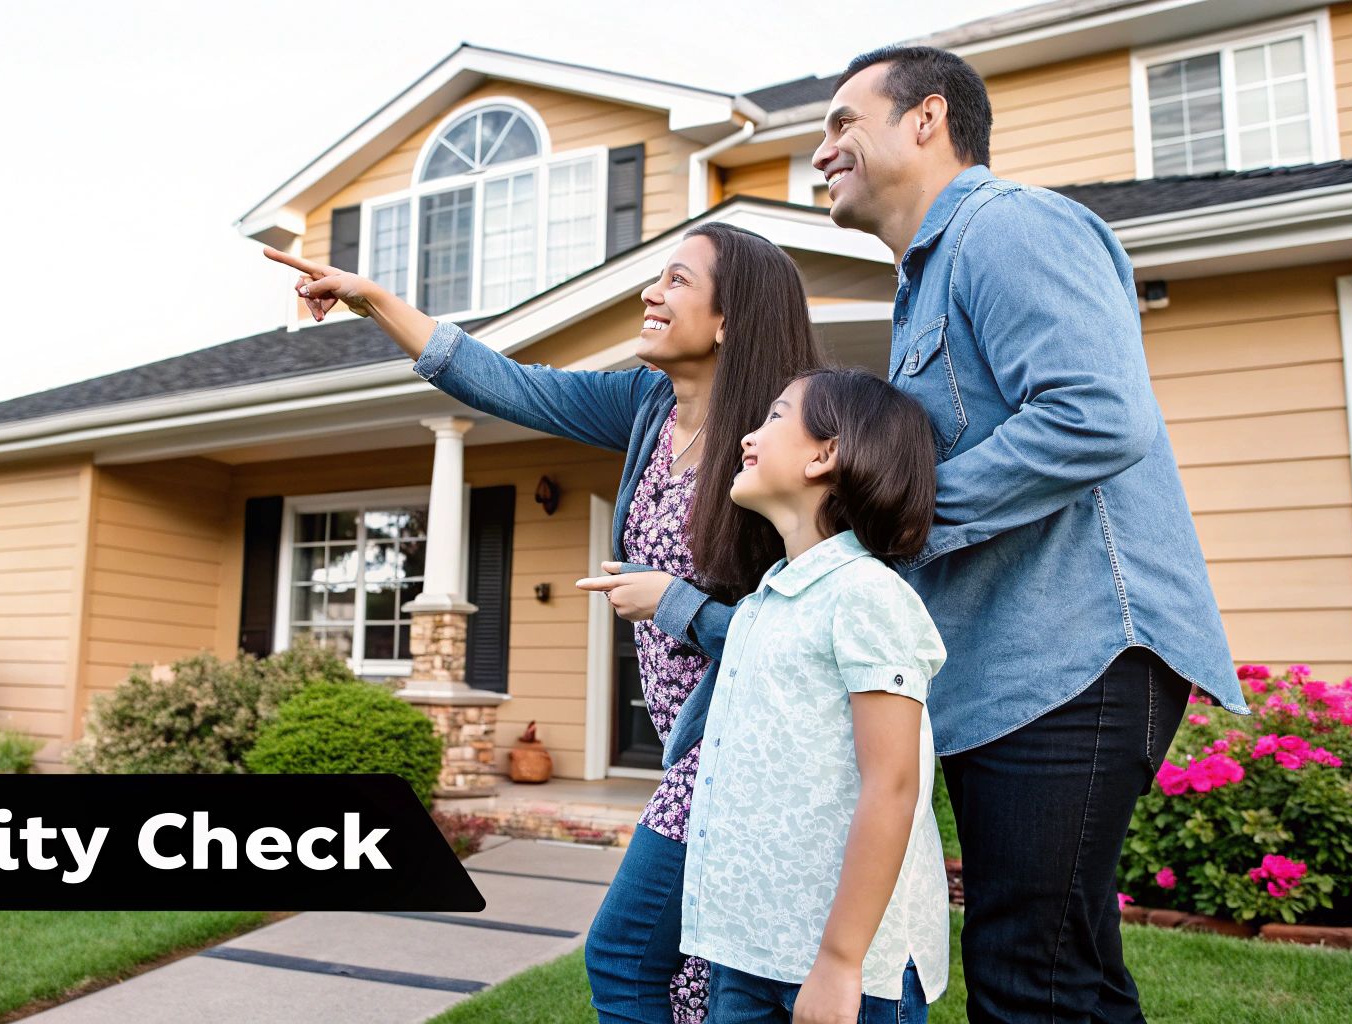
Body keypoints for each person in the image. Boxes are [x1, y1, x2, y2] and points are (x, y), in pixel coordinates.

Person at [264, 224, 824, 1023]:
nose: (649, 294)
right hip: (687, 750)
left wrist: (674, 603)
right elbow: (507, 384)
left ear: (730, 317)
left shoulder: (781, 440)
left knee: (628, 956)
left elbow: (812, 635)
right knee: (700, 979)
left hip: (743, 748)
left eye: (674, 281)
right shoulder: (646, 409)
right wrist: (375, 299)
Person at [811, 45, 1249, 1022]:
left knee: (1028, 979)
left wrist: (900, 528)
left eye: (843, 121)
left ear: (925, 118)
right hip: (1013, 671)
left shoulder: (1006, 228)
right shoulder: (924, 283)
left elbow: (1092, 413)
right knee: (1062, 971)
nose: (820, 149)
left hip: (1073, 654)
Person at [681, 368, 948, 1023]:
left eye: (775, 417)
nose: (746, 437)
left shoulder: (866, 596)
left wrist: (838, 961)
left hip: (846, 968)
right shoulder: (764, 603)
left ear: (825, 454)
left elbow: (892, 786)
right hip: (749, 952)